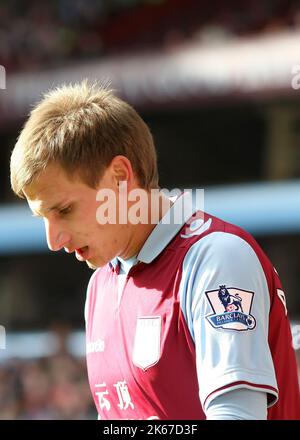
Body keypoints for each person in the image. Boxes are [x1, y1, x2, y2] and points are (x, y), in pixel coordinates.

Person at [10, 81, 300, 420]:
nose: (52, 240)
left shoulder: (216, 258)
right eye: (42, 218)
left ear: (120, 176)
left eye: (63, 210)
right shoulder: (100, 286)